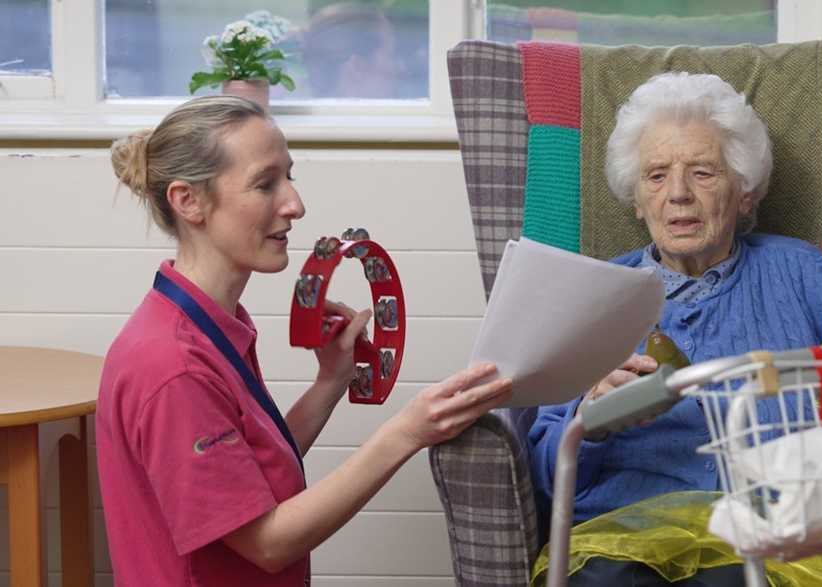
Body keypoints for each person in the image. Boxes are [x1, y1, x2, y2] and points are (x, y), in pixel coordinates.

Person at [527, 72, 822, 585]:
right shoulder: (595, 297)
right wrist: (590, 421)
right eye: (655, 176)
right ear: (636, 199)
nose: (677, 194)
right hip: (620, 547)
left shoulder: (802, 272)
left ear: (744, 193)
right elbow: (543, 474)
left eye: (702, 172)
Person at [96, 95, 512, 586]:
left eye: (289, 177)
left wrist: (330, 382)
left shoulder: (210, 325)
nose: (295, 203)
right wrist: (407, 432)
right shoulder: (174, 366)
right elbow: (267, 543)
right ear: (189, 201)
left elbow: (245, 477)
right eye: (265, 183)